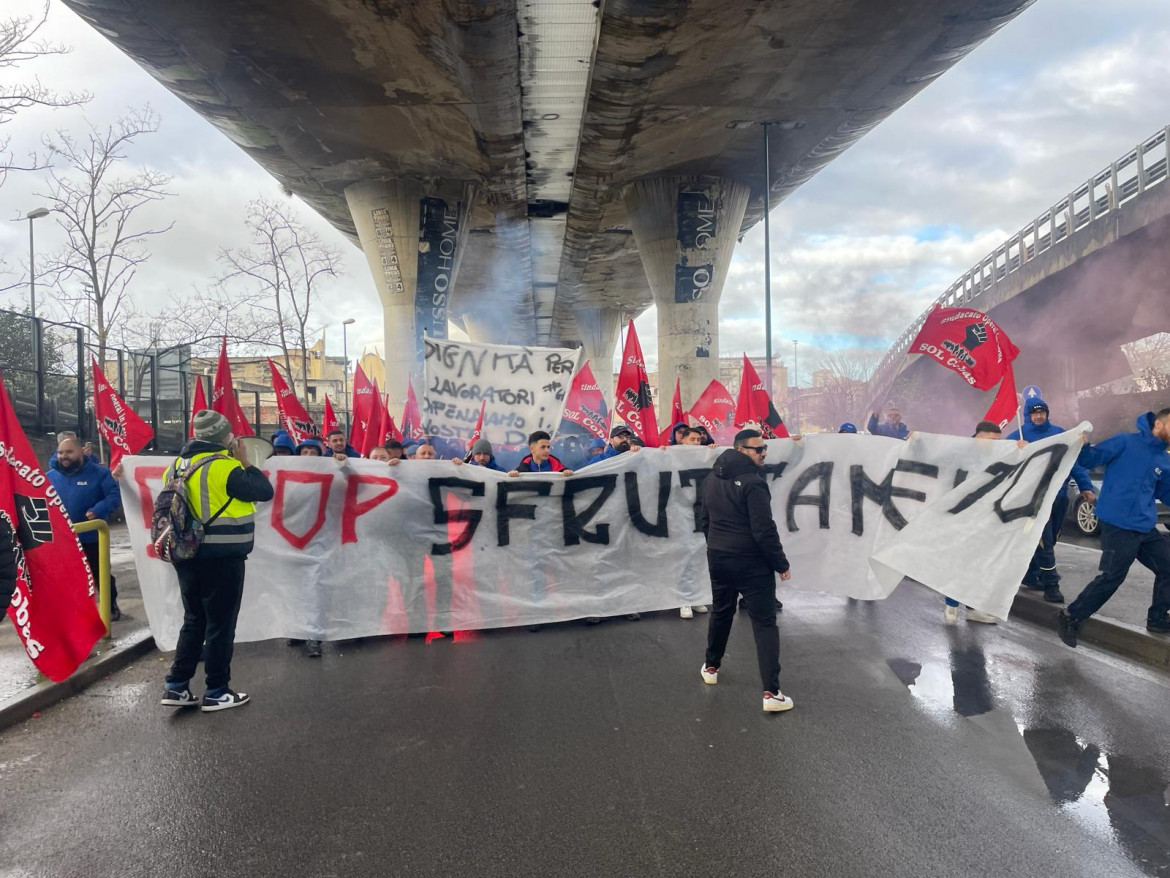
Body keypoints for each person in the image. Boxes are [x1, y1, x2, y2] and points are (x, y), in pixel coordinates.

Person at [160, 410, 274, 711]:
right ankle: (217, 690)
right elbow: (264, 491)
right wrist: (246, 461)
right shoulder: (227, 467)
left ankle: (176, 686)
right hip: (222, 557)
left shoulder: (175, 465)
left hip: (185, 554)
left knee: (194, 620)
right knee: (220, 625)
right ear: (225, 437)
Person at [699, 429, 794, 712]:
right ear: (741, 450)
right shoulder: (753, 483)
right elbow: (764, 530)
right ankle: (772, 693)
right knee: (764, 622)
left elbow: (705, 519)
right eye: (758, 449)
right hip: (751, 561)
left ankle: (711, 667)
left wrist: (716, 545)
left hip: (718, 556)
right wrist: (781, 564)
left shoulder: (710, 477)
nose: (764, 452)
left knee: (721, 611)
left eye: (765, 448)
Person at [1058, 410, 1170, 647]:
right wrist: (1084, 445)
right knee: (1112, 577)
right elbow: (1090, 460)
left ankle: (1158, 619)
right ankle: (1070, 616)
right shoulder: (1125, 442)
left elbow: (1165, 492)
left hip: (1144, 526)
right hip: (1117, 525)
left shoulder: (1164, 459)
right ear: (1158, 423)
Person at [1006, 396, 1094, 604]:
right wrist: (1014, 449)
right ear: (1028, 415)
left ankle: (1030, 574)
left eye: (1042, 412)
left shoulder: (1059, 434)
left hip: (1059, 497)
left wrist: (1086, 486)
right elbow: (999, 459)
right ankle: (1051, 585)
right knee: (1044, 542)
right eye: (1035, 413)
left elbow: (1073, 462)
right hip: (1033, 500)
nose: (1038, 416)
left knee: (1052, 538)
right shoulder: (1017, 435)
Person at [47, 437, 124, 620]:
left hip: (92, 537)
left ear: (81, 451)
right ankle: (75, 612)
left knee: (99, 574)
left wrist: (100, 509)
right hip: (62, 539)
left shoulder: (100, 474)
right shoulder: (48, 477)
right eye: (60, 452)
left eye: (69, 452)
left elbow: (114, 495)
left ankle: (109, 606)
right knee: (67, 577)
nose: (64, 456)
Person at [942, 421, 1003, 625]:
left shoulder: (996, 455)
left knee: (978, 563)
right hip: (959, 515)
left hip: (983, 518)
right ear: (980, 436)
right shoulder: (961, 452)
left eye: (1000, 441)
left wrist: (1021, 449)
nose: (997, 444)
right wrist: (917, 443)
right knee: (959, 560)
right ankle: (951, 605)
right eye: (993, 440)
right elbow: (934, 461)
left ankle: (972, 608)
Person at [508, 431, 573, 476]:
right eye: (543, 447)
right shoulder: (521, 470)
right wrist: (513, 475)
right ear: (531, 449)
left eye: (548, 447)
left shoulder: (560, 469)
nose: (547, 451)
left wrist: (567, 473)